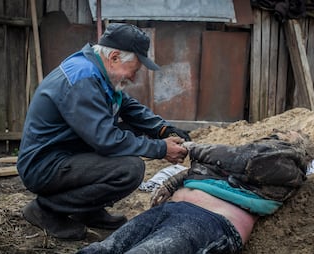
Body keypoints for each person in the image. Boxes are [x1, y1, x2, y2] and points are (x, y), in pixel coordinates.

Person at [38, 130, 314, 254]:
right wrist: (174, 183)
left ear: (300, 147)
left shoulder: (286, 161)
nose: (279, 133)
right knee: (96, 253)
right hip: (172, 212)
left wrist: (192, 148)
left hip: (210, 223)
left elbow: (243, 158)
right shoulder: (253, 160)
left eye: (288, 134)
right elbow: (217, 168)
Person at [17, 23, 191, 241]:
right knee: (129, 169)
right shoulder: (83, 79)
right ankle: (46, 210)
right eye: (135, 70)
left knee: (126, 131)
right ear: (115, 57)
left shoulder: (96, 71)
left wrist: (162, 129)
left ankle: (87, 210)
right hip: (44, 165)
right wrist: (160, 148)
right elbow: (106, 140)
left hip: (66, 153)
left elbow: (128, 107)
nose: (135, 78)